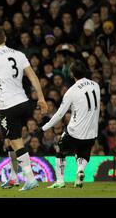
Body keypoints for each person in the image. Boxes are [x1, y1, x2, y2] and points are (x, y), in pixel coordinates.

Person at [0, 26, 48, 191]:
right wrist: (41, 98)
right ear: (5, 38)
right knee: (8, 140)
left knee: (15, 142)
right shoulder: (19, 54)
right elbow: (33, 76)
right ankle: (13, 178)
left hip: (9, 106)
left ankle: (30, 179)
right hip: (24, 103)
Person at [44, 60, 101, 188]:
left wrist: (45, 126)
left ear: (72, 74)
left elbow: (59, 114)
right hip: (92, 132)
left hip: (75, 131)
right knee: (83, 154)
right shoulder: (96, 86)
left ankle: (60, 181)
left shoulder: (72, 91)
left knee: (60, 151)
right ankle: (80, 170)